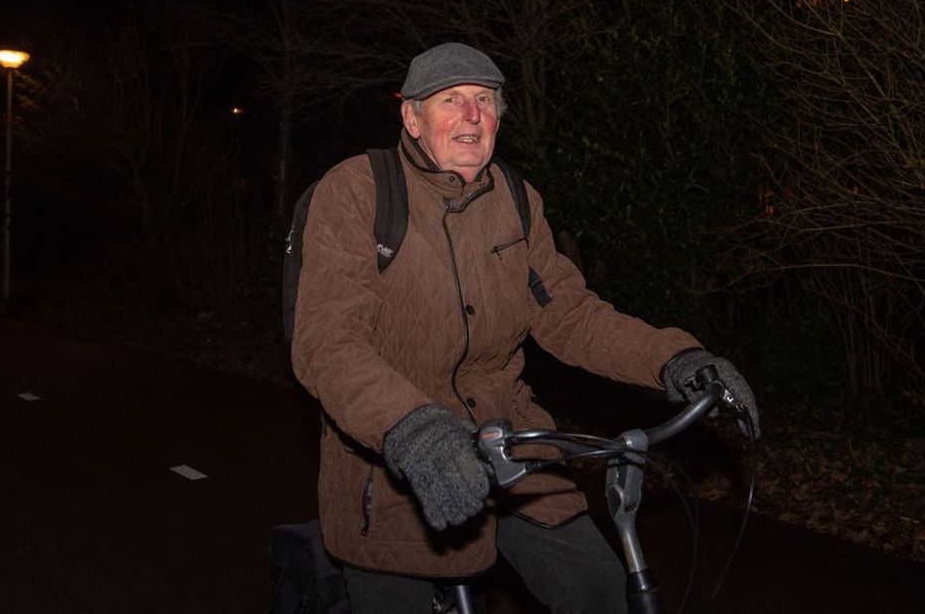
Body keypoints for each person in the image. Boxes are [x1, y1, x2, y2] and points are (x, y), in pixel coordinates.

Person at [290, 42, 760, 614]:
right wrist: (410, 428)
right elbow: (327, 341)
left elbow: (569, 313)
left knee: (601, 593)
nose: (472, 114)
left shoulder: (516, 199)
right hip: (397, 464)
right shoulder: (358, 191)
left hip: (512, 446)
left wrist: (675, 358)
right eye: (452, 99)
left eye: (485, 100)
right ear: (411, 118)